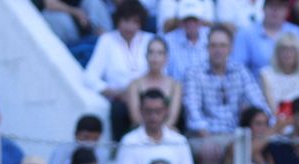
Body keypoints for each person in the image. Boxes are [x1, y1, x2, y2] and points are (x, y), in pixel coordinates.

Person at [185, 25, 269, 164]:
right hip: (204, 135)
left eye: (222, 45)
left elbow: (258, 101)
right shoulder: (194, 73)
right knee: (209, 150)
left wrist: (270, 123)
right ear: (207, 48)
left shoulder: (240, 71)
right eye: (214, 45)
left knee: (263, 147)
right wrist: (207, 138)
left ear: (230, 48)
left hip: (236, 134)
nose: (218, 50)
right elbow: (193, 111)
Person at [85, 0, 153, 136]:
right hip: (118, 99)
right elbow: (90, 76)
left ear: (141, 23)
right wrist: (115, 93)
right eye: (126, 21)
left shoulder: (149, 40)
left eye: (135, 22)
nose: (130, 27)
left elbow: (161, 72)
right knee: (119, 110)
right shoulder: (107, 40)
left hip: (148, 97)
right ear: (118, 20)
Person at [116, 87, 195, 164]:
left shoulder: (179, 141)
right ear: (141, 111)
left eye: (158, 111)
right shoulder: (129, 141)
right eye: (148, 111)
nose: (153, 116)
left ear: (166, 111)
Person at [234, 0, 299, 76]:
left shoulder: (297, 32)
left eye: (280, 7)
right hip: (255, 83)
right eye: (271, 6)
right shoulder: (246, 33)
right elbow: (238, 66)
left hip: (293, 82)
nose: (275, 10)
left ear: (287, 11)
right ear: (263, 8)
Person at [124, 35, 184, 131]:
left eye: (160, 53)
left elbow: (172, 119)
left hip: (167, 133)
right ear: (146, 56)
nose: (155, 57)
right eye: (151, 52)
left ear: (166, 57)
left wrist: (159, 135)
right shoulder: (134, 85)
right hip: (140, 133)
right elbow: (136, 118)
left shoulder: (175, 85)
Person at [260, 28, 299, 122]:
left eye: (292, 50)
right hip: (275, 123)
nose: (287, 53)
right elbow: (272, 110)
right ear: (277, 52)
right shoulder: (265, 74)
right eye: (283, 49)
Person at [162, 0, 212, 83]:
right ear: (180, 22)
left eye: (194, 20)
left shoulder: (212, 36)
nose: (191, 24)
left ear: (201, 21)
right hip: (178, 88)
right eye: (186, 20)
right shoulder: (168, 41)